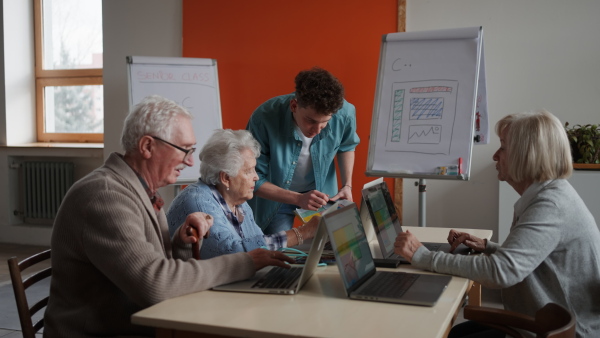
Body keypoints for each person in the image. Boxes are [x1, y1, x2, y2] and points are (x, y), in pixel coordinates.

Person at [43, 95, 293, 337]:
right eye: (184, 149)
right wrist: (245, 262)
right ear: (148, 146)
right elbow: (156, 284)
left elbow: (160, 266)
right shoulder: (105, 196)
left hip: (137, 322)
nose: (191, 160)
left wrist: (181, 243)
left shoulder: (142, 190)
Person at [394, 109, 600, 338]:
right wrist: (489, 246)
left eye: (503, 147)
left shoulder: (550, 206)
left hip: (565, 333)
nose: (495, 155)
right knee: (457, 332)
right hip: (545, 323)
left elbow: (501, 272)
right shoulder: (549, 195)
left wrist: (423, 257)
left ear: (526, 154)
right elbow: (535, 259)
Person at [167, 129, 321, 259]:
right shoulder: (197, 201)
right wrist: (302, 233)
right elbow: (233, 253)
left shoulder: (239, 203)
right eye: (249, 171)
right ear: (226, 178)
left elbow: (259, 244)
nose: (256, 177)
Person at [246, 66, 360, 234]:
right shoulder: (264, 118)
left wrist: (347, 185)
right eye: (311, 121)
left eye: (325, 122)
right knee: (277, 251)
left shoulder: (345, 113)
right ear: (294, 105)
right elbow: (253, 179)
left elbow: (347, 146)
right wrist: (298, 198)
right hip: (275, 197)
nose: (317, 130)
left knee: (332, 249)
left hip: (322, 196)